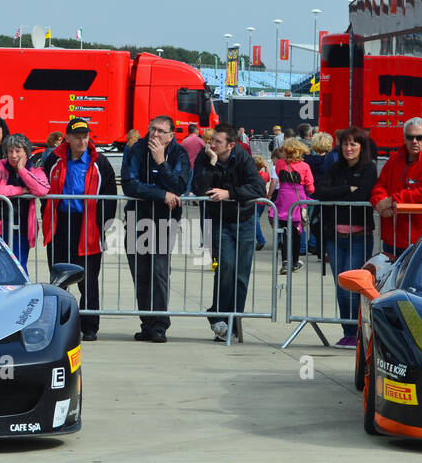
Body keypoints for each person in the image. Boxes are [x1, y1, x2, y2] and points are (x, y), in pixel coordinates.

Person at [41, 117, 117, 342]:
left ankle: (90, 326)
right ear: (68, 138)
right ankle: (60, 324)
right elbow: (43, 187)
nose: (83, 140)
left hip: (88, 226)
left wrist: (101, 222)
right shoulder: (53, 160)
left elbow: (110, 195)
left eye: (85, 136)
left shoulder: (99, 162)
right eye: (77, 136)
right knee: (59, 278)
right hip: (60, 225)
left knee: (88, 279)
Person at [120, 115, 191, 343]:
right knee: (140, 273)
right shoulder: (136, 150)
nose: (155, 134)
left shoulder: (179, 154)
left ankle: (160, 324)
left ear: (171, 135)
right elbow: (130, 184)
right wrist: (161, 193)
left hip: (164, 220)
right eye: (152, 129)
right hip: (136, 218)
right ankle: (147, 322)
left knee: (159, 273)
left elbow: (179, 186)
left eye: (161, 131)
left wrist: (161, 161)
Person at [193, 124, 266, 342]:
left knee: (242, 274)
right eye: (211, 140)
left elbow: (258, 188)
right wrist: (213, 165)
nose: (212, 144)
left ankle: (233, 323)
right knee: (226, 265)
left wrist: (229, 193)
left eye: (217, 141)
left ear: (231, 145)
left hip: (244, 219)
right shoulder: (205, 157)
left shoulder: (242, 157)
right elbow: (198, 188)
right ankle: (219, 318)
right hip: (218, 220)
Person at [312, 128, 378, 348]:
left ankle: (359, 331)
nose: (349, 149)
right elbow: (319, 191)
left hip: (358, 236)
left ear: (361, 147)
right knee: (341, 286)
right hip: (334, 236)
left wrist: (341, 191)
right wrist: (346, 188)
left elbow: (362, 194)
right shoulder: (335, 167)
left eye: (354, 144)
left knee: (353, 286)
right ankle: (348, 331)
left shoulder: (369, 168)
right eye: (345, 144)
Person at [370, 117, 422, 257]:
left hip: (421, 240)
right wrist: (380, 203)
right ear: (404, 137)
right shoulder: (394, 159)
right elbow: (380, 185)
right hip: (392, 239)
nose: (414, 141)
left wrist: (391, 201)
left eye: (419, 137)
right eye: (410, 137)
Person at [0, 133, 49, 269]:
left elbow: (42, 190)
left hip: (22, 230)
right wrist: (20, 190)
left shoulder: (34, 170)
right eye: (10, 151)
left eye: (18, 151)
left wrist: (21, 170)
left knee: (18, 269)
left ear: (26, 153)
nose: (13, 155)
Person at [271, 138, 315, 273]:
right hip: (298, 200)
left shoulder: (279, 163)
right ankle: (294, 261)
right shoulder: (304, 166)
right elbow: (311, 187)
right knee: (297, 232)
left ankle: (285, 262)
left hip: (283, 199)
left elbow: (279, 175)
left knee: (285, 232)